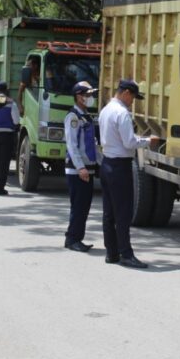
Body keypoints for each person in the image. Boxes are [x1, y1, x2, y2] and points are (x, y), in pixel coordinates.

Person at [98, 79, 159, 268]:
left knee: (109, 212)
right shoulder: (122, 113)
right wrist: (149, 141)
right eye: (132, 96)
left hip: (107, 162)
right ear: (125, 93)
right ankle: (126, 254)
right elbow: (129, 142)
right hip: (119, 166)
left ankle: (112, 252)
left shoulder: (106, 110)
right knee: (123, 213)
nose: (133, 101)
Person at [63, 81, 99, 253]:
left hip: (88, 168)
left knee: (84, 206)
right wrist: (80, 167)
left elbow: (92, 143)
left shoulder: (86, 115)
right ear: (79, 96)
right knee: (78, 206)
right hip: (78, 170)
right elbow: (72, 145)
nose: (90, 98)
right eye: (88, 95)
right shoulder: (73, 117)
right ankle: (72, 239)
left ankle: (77, 237)